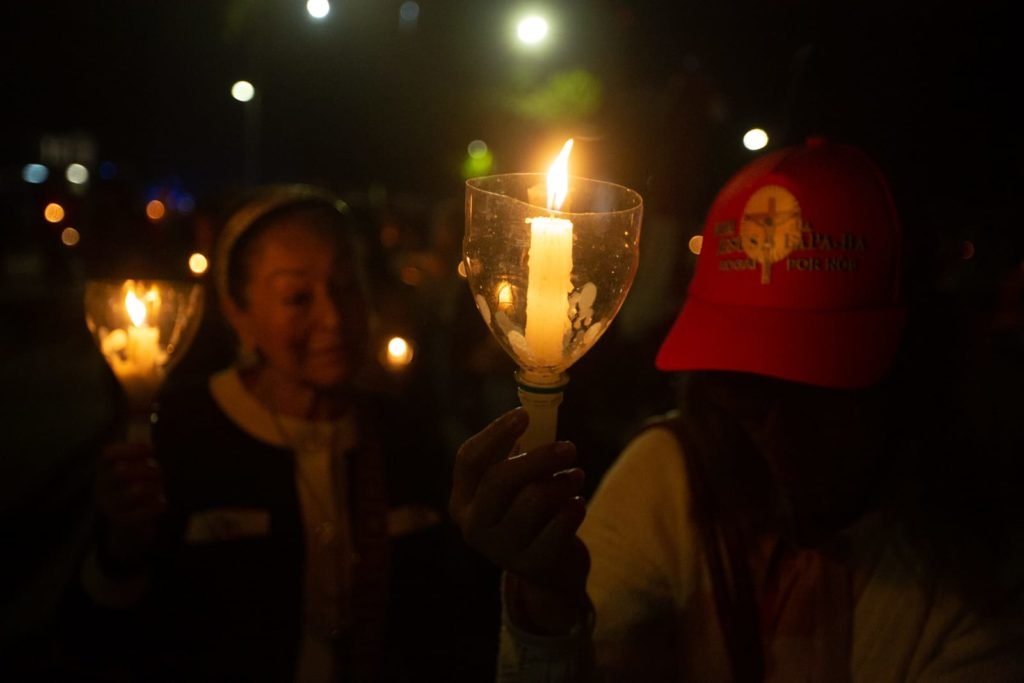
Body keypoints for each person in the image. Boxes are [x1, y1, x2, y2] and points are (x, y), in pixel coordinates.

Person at [449, 138, 1024, 681]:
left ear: (910, 371)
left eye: (818, 386)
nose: (777, 428)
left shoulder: (972, 575)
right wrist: (547, 609)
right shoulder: (674, 480)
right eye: (741, 384)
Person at [71, 184, 450, 682]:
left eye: (346, 285)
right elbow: (93, 640)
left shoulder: (408, 436)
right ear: (237, 312)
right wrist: (121, 549)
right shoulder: (178, 437)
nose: (333, 318)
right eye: (297, 297)